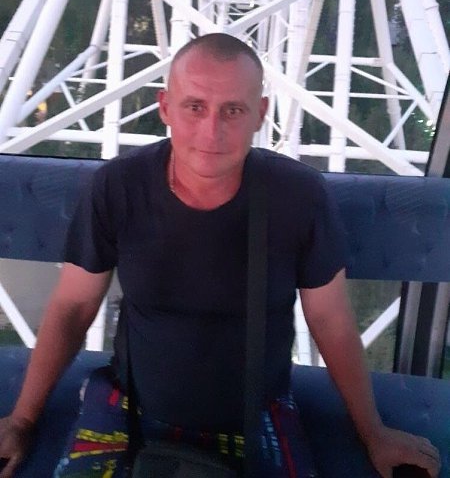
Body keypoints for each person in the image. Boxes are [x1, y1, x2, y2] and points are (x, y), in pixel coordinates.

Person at [0, 33, 441, 478]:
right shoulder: (118, 186)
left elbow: (330, 320)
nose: (212, 132)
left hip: (257, 410)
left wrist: (373, 434)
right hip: (131, 402)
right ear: (165, 107)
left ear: (260, 114)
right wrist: (22, 421)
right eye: (195, 107)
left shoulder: (299, 196)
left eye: (233, 110)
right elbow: (74, 306)